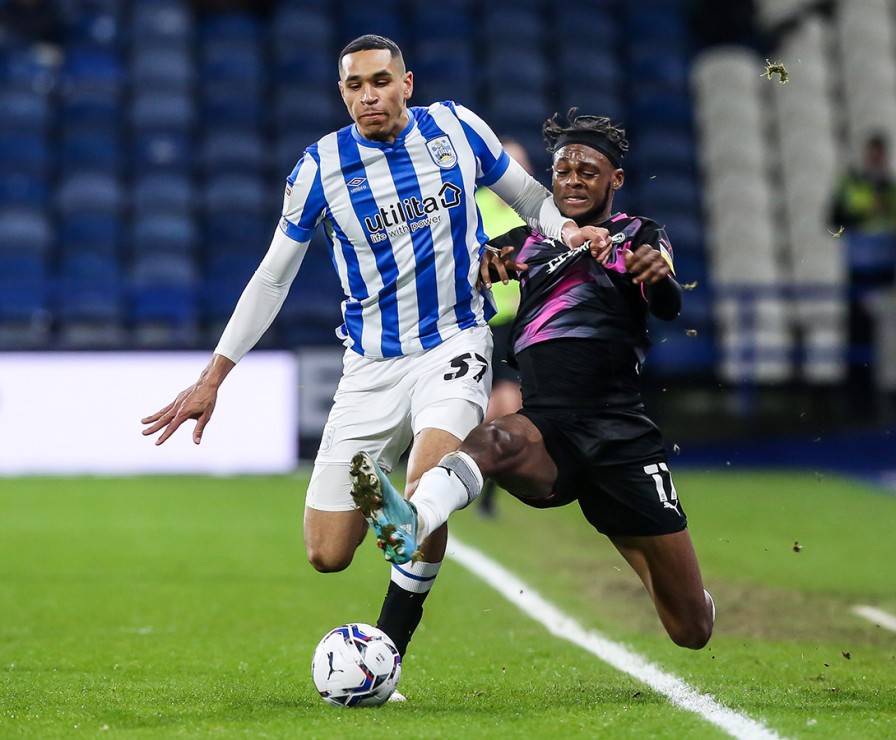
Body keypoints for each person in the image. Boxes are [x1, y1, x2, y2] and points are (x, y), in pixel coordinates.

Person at [140, 35, 609, 673]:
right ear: (343, 93)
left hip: (453, 342)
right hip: (368, 368)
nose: (369, 96)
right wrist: (213, 377)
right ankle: (378, 481)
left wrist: (566, 229)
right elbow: (272, 279)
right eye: (355, 86)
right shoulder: (320, 169)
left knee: (426, 491)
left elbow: (529, 199)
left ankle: (386, 650)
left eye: (381, 82)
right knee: (327, 553)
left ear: (406, 84)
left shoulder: (457, 130)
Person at [350, 109, 714, 651]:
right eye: (563, 171)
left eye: (587, 172)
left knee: (690, 629)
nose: (572, 181)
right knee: (495, 438)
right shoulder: (526, 242)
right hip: (546, 426)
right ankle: (414, 523)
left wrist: (658, 278)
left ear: (615, 179)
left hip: (620, 436)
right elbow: (457, 277)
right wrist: (473, 269)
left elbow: (665, 299)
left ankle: (689, 594)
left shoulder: (637, 236)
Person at [829, 132, 896, 409]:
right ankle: (858, 399)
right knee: (859, 333)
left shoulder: (893, 188)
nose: (876, 158)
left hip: (888, 271)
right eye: (872, 152)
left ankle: (887, 397)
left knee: (888, 335)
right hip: (861, 270)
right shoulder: (852, 184)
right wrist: (866, 214)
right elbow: (834, 220)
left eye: (880, 153)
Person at [473, 139, 531, 516]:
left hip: (525, 325)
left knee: (511, 407)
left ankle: (480, 486)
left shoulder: (536, 210)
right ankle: (478, 485)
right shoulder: (475, 204)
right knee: (503, 406)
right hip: (484, 322)